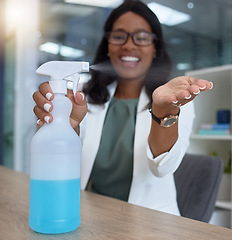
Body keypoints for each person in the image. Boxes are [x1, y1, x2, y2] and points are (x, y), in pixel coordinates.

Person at [33, 0, 213, 215]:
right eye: (119, 36)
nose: (129, 45)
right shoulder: (80, 96)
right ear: (107, 45)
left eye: (142, 37)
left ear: (155, 48)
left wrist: (163, 111)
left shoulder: (174, 99)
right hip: (88, 214)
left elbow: (163, 167)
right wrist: (66, 127)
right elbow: (57, 163)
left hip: (149, 223)